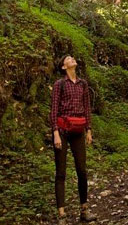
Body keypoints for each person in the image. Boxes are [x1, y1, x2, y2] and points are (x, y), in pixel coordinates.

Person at [50, 55, 96, 222]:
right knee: (61, 172)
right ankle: (62, 214)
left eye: (72, 57)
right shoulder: (59, 84)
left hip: (78, 130)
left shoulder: (83, 84)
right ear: (64, 67)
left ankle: (84, 210)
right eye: (68, 58)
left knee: (82, 171)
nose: (72, 59)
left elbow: (87, 108)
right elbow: (54, 109)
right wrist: (55, 132)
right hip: (62, 130)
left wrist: (89, 130)